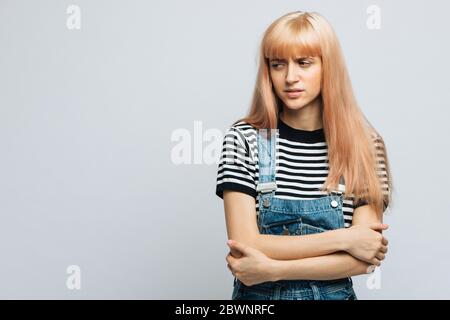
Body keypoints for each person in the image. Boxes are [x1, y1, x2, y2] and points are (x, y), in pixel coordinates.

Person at [215, 11, 393, 300]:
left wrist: (271, 270)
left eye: (304, 63)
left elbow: (364, 258)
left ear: (328, 67)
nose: (289, 77)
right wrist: (346, 238)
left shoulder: (366, 147)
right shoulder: (243, 140)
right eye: (278, 64)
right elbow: (244, 242)